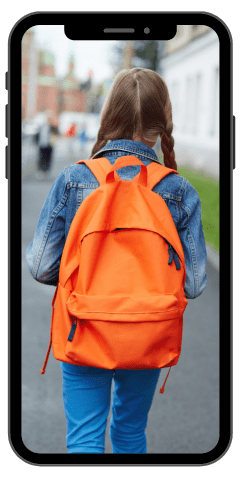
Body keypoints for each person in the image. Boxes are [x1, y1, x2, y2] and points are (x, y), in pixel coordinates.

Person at [26, 68, 207, 454]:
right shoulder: (179, 190)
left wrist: (87, 280)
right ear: (163, 120)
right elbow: (193, 283)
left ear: (109, 114)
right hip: (147, 331)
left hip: (83, 325)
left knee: (85, 439)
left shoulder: (75, 180)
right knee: (129, 434)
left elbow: (41, 265)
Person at [37, 112, 53, 177]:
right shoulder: (41, 126)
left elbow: (56, 134)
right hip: (42, 145)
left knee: (47, 158)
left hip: (49, 145)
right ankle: (41, 170)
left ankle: (46, 170)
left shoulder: (52, 126)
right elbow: (37, 135)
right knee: (41, 158)